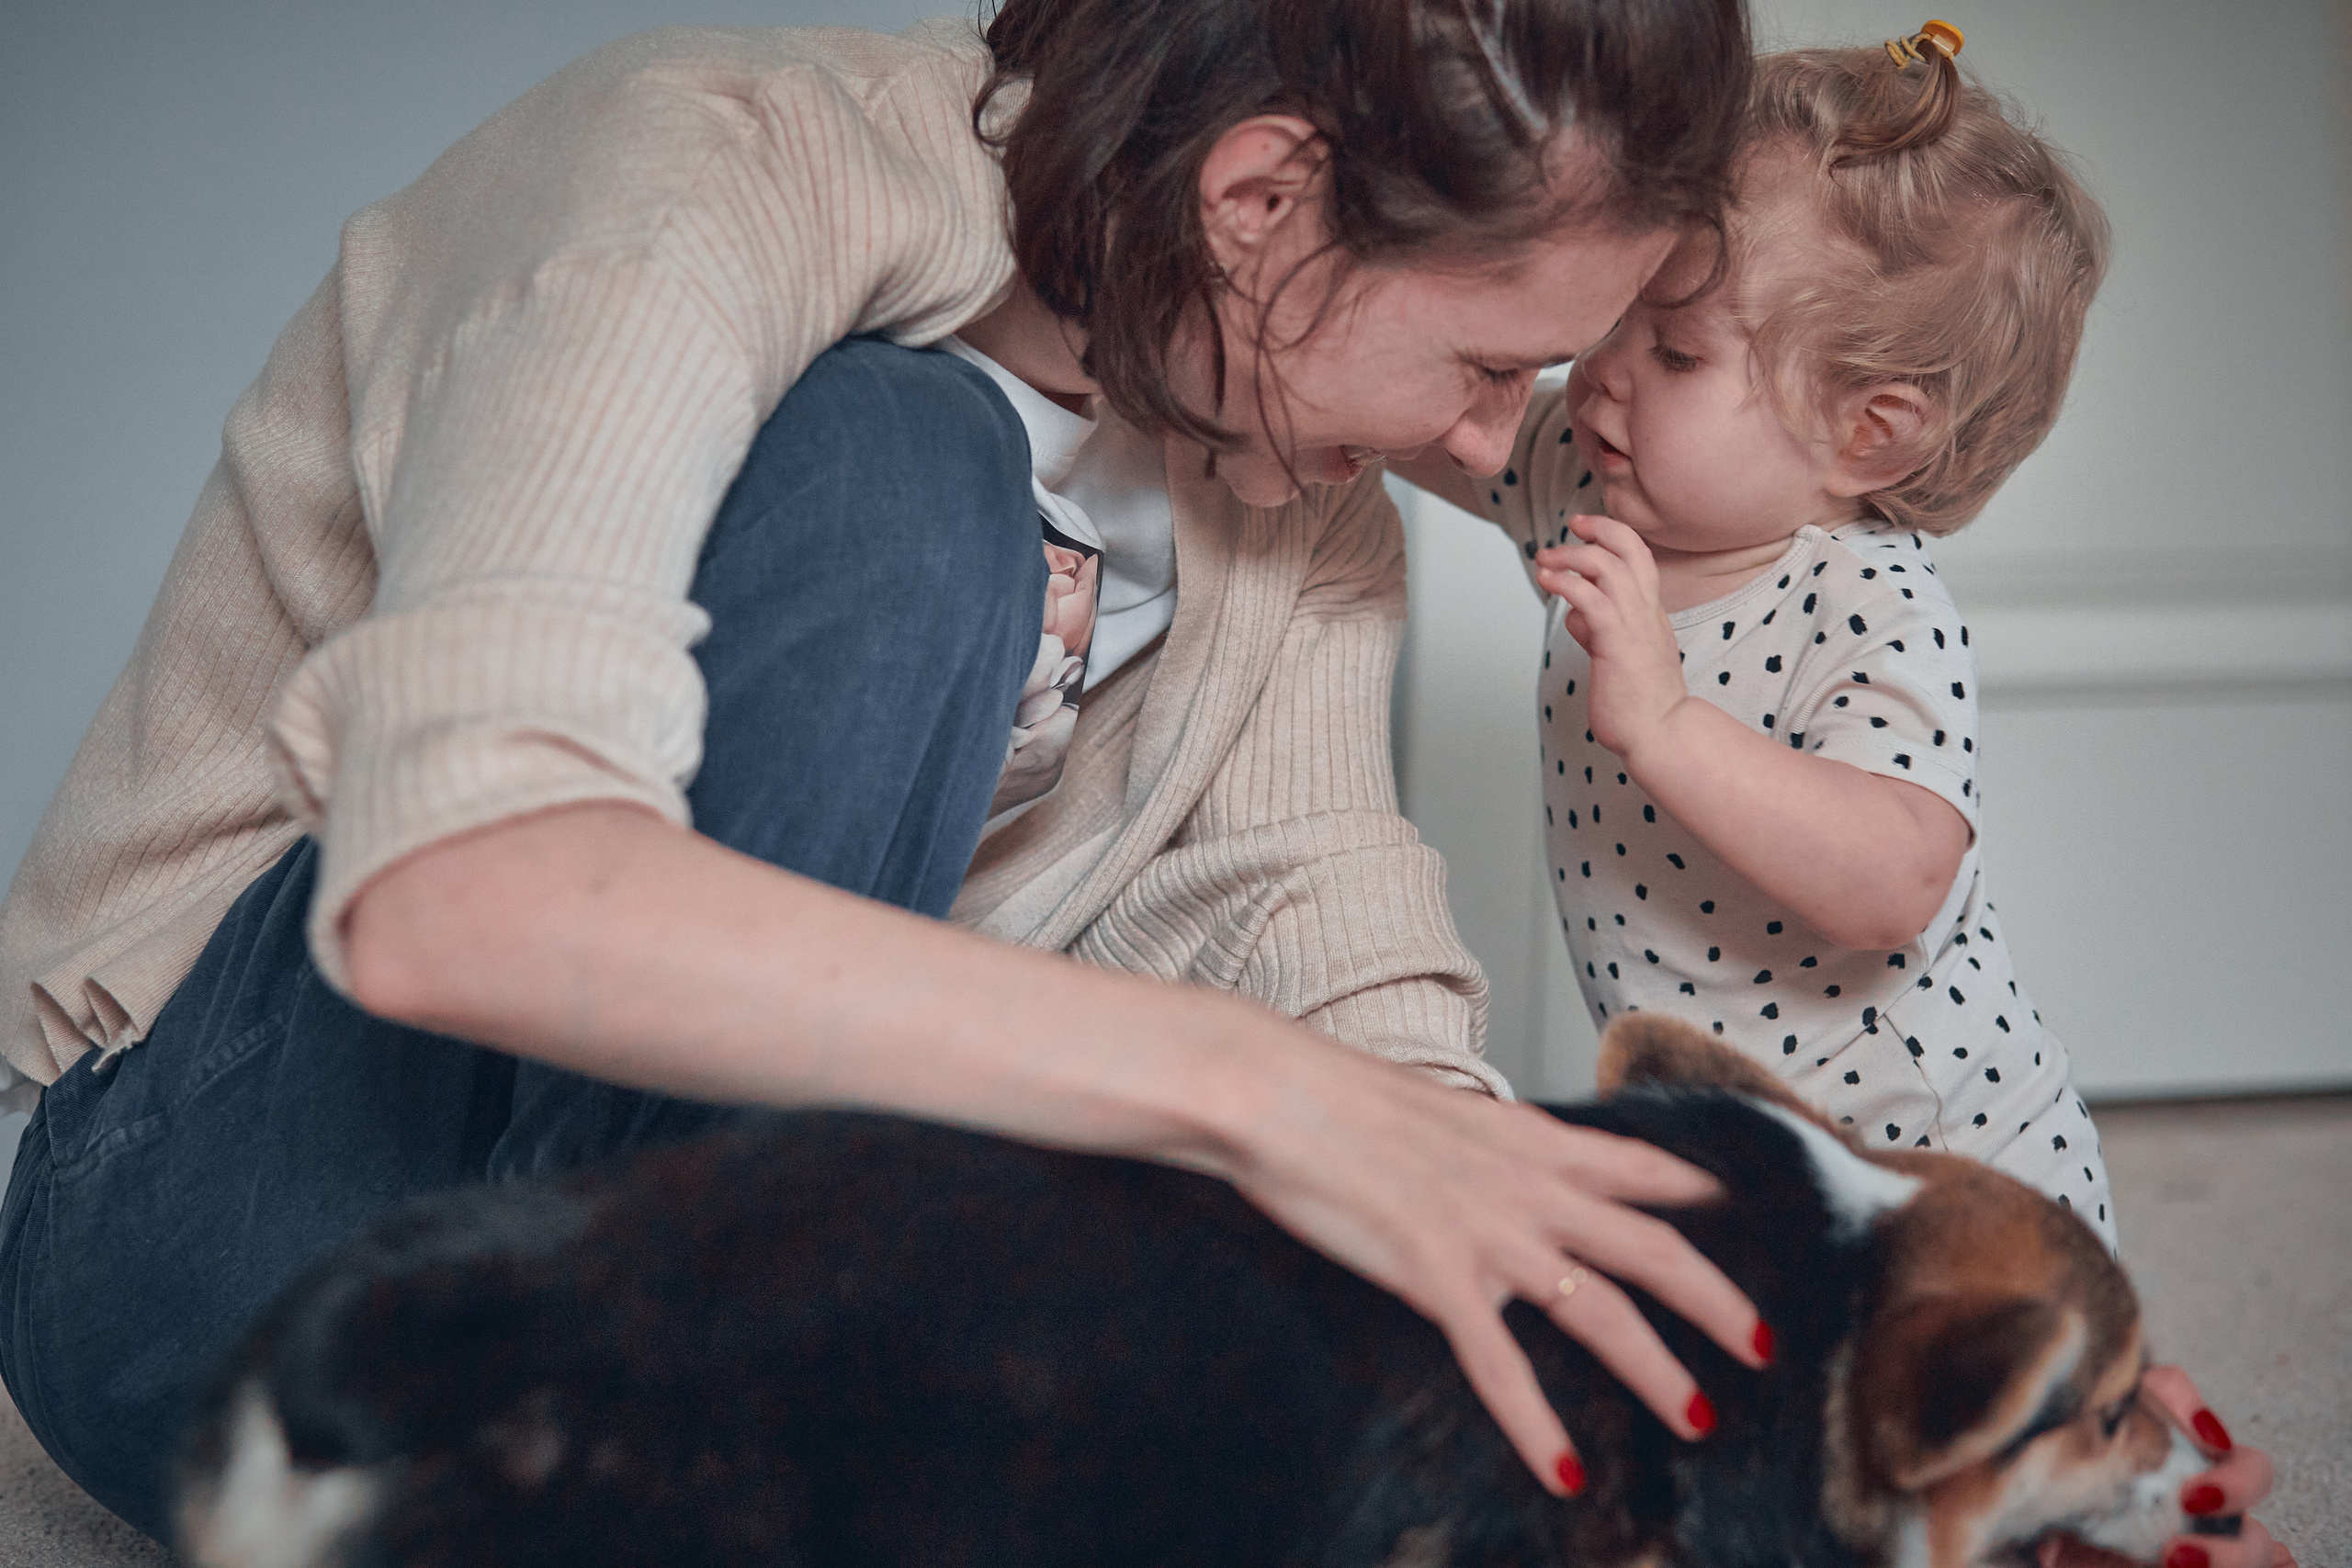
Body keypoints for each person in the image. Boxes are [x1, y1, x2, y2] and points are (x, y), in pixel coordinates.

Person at [0, 0, 1782, 1540]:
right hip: (222, 1235)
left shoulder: (1294, 502)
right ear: (1257, 200)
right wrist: (1259, 1092)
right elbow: (457, 899)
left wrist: (1500, 1239)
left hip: (683, 1288)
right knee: (909, 483)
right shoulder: (710, 174)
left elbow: (1315, 916)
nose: (1486, 449)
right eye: (1486, 366)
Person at [1398, 24, 2288, 1567]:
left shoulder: (1866, 604)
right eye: (1618, 312)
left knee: (1988, 1439)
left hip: (1947, 1169)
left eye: (1674, 349)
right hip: (1754, 1155)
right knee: (1783, 1465)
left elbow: (1894, 879)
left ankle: (2140, 1502)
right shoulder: (1586, 468)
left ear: (1863, 435)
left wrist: (1666, 724)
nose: (1603, 369)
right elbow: (1418, 410)